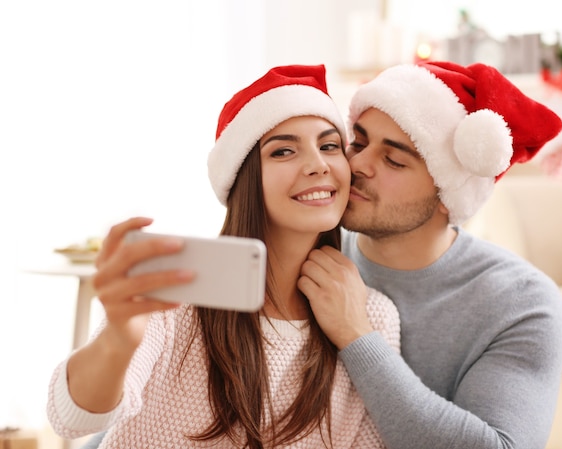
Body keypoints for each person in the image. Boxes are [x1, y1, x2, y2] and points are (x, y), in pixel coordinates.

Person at [46, 64, 400, 449]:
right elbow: (72, 418)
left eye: (330, 145)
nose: (318, 164)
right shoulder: (178, 290)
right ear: (243, 178)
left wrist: (355, 334)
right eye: (283, 151)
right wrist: (119, 338)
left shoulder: (373, 319)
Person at [298, 61, 562, 449]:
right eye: (357, 142)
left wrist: (355, 334)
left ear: (448, 193)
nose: (356, 165)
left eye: (393, 160)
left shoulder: (522, 301)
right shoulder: (309, 253)